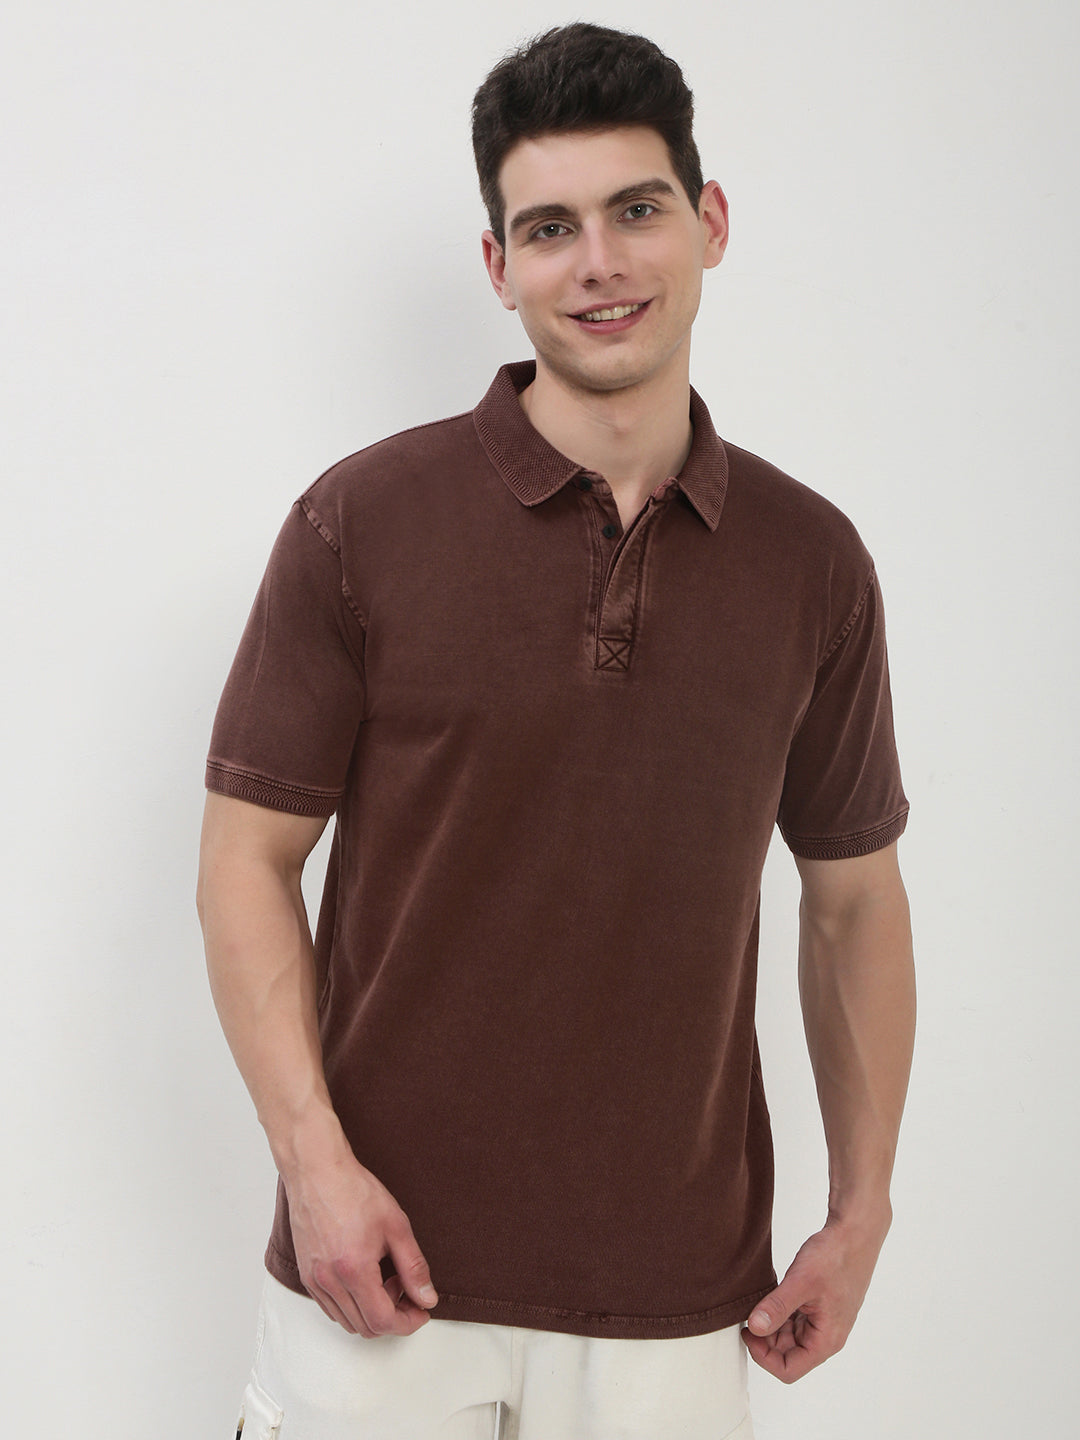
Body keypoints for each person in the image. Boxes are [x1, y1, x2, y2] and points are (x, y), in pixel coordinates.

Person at [197, 21, 915, 1439]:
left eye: (637, 210)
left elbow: (853, 904)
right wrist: (314, 1170)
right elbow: (244, 864)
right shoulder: (359, 525)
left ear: (710, 224)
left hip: (676, 1299)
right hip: (378, 1273)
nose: (599, 263)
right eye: (549, 228)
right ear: (499, 265)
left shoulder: (812, 563)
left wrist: (864, 1206)